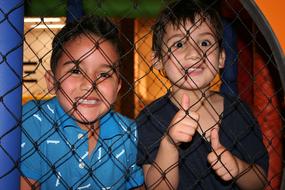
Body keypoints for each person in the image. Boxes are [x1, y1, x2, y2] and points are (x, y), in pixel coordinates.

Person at [136, 0, 268, 189]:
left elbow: (260, 181)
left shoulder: (239, 111)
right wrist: (169, 145)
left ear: (221, 57)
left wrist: (238, 168)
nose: (195, 53)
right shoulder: (150, 118)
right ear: (157, 60)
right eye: (179, 44)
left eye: (205, 42)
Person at [20, 15, 144, 190]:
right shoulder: (34, 119)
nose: (90, 84)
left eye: (104, 74)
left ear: (117, 87)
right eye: (76, 70)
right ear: (51, 81)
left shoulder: (128, 133)